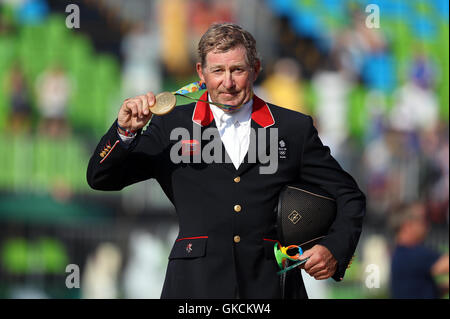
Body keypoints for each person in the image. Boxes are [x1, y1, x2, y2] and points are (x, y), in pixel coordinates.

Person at [87, 23, 365, 299]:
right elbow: (101, 178)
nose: (227, 82)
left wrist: (333, 249)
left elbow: (349, 195)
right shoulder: (169, 127)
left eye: (237, 70)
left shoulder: (293, 129)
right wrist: (124, 132)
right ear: (201, 73)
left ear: (255, 69)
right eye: (218, 70)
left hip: (271, 288)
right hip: (193, 289)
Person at [390, 202, 449, 299]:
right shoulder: (415, 254)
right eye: (423, 220)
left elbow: (421, 290)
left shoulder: (399, 254)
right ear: (408, 226)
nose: (427, 225)